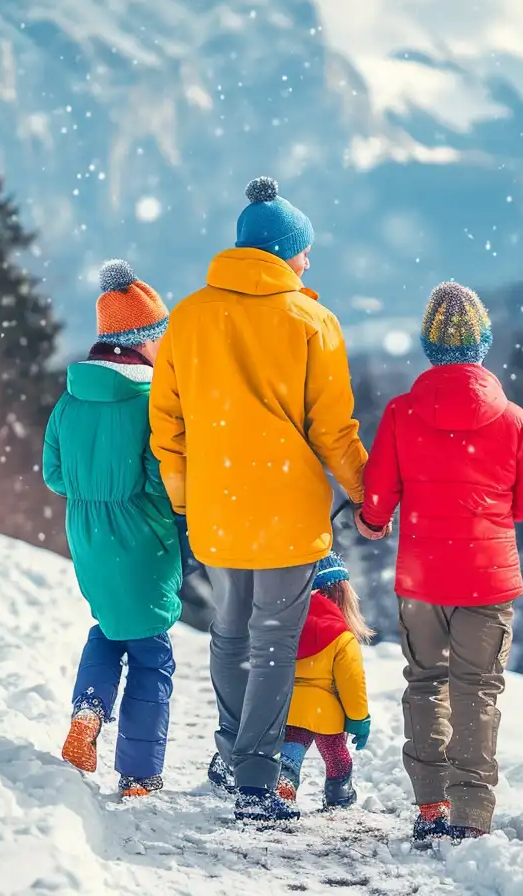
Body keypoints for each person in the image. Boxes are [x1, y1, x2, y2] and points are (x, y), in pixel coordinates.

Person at [150, 176, 367, 824]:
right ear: (281, 252)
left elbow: (168, 422)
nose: (308, 262)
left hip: (217, 508)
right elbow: (334, 431)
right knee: (275, 641)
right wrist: (368, 495)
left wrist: (186, 497)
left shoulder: (188, 316)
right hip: (288, 514)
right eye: (303, 251)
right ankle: (254, 778)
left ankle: (229, 753)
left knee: (229, 630)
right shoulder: (312, 322)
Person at [357, 281, 523, 845]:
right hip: (487, 579)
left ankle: (431, 804)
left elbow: (378, 494)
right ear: (483, 344)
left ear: (428, 345)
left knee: (425, 683)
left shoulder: (400, 412)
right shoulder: (512, 418)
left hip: (421, 579)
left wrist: (372, 520)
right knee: (477, 690)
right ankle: (472, 812)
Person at [44, 261, 182, 799]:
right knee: (152, 653)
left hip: (88, 539)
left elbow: (55, 475)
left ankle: (87, 714)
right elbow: (161, 480)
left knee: (109, 629)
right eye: (159, 339)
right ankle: (140, 774)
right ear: (139, 343)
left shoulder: (69, 400)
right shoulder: (149, 406)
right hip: (141, 542)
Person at [278, 551, 373, 811]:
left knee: (291, 749)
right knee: (336, 755)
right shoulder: (341, 637)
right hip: (328, 714)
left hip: (286, 707)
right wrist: (359, 719)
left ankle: (284, 785)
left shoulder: (280, 626)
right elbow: (352, 682)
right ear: (343, 594)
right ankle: (339, 793)